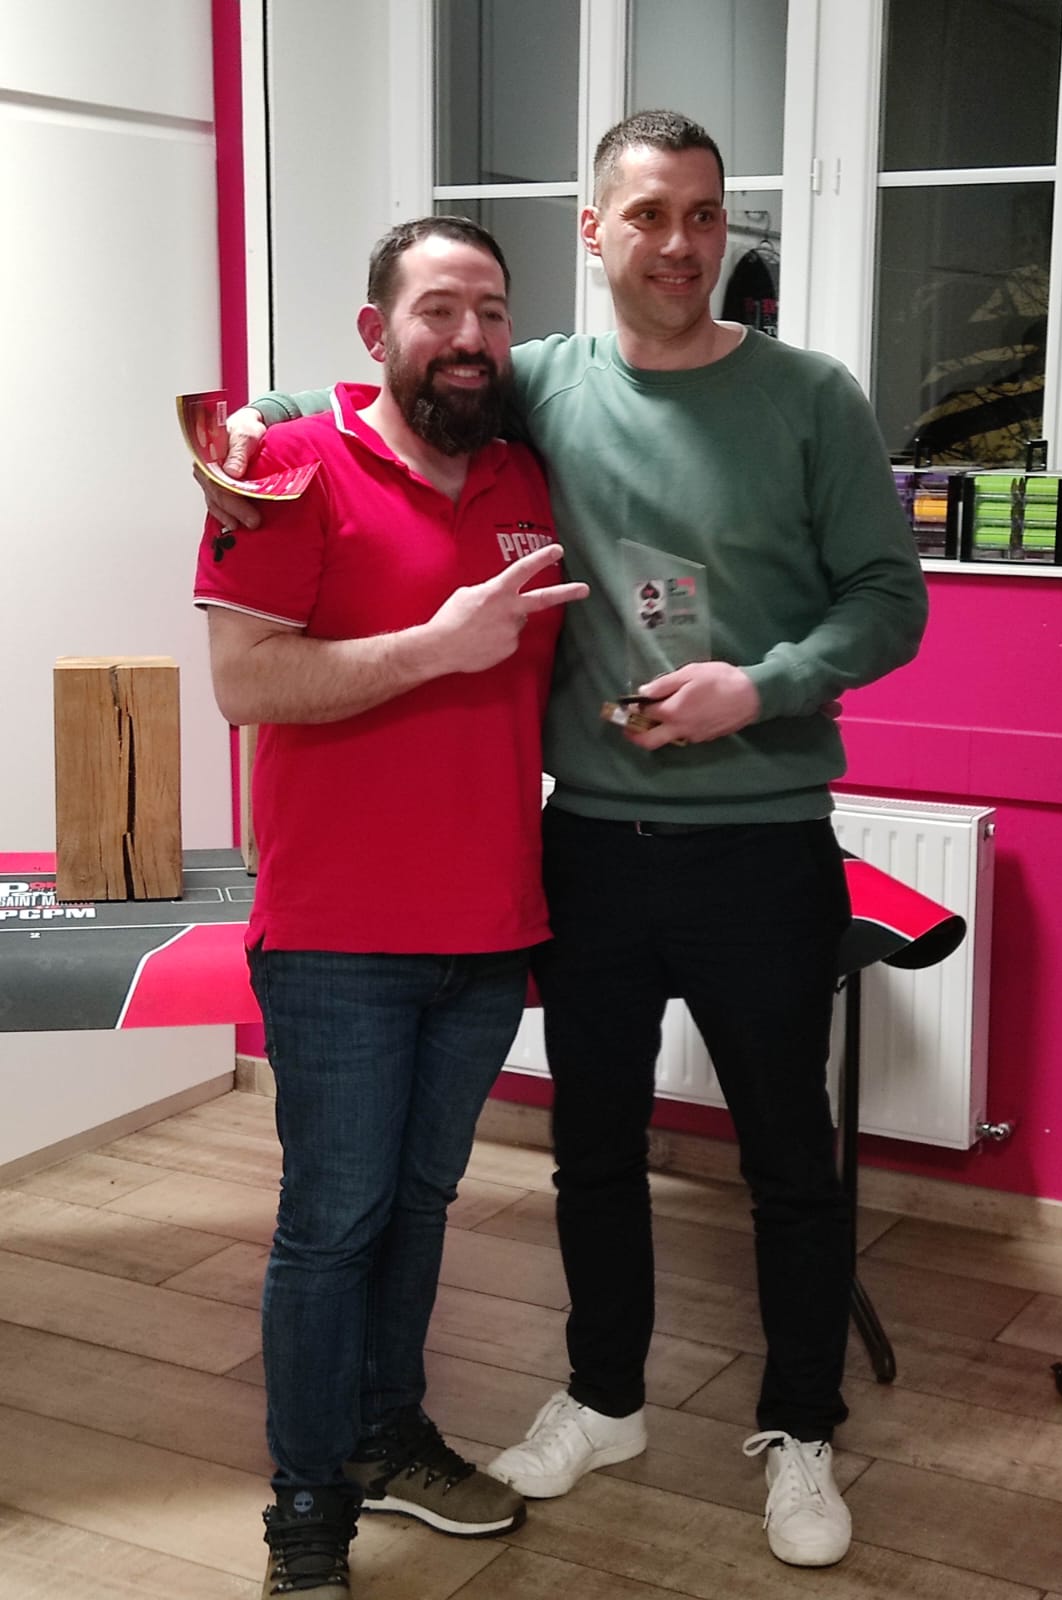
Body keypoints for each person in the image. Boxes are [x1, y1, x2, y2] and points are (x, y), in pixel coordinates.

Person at [200, 111, 929, 1570]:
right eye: (649, 214)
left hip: (764, 845)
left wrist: (760, 688)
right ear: (594, 233)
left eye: (705, 215)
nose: (680, 243)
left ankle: (800, 1424)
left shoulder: (811, 397)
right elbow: (380, 384)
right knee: (591, 1154)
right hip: (588, 849)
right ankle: (606, 1399)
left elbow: (889, 601)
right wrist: (253, 424)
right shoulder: (535, 379)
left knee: (789, 1159)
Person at [193, 215, 588, 1600]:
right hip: (339, 940)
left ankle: (386, 1432)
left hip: (489, 929)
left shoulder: (527, 473)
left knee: (419, 1207)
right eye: (438, 311)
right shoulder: (287, 470)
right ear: (377, 332)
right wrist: (437, 645)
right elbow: (246, 684)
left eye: (492, 312)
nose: (470, 337)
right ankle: (305, 1509)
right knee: (334, 1222)